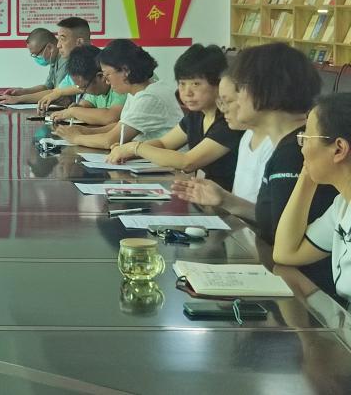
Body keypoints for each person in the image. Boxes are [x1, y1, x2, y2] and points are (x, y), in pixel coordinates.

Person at [173, 43, 337, 291]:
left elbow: (285, 242)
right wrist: (226, 200)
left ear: (265, 91)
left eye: (240, 90)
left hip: (306, 286)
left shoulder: (295, 152)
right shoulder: (284, 146)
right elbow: (275, 220)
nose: (234, 100)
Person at [107, 44, 244, 191]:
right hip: (202, 194)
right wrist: (127, 151)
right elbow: (164, 143)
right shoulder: (197, 115)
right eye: (182, 84)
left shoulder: (229, 122)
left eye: (196, 84)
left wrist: (135, 148)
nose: (187, 92)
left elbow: (188, 162)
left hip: (226, 199)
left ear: (219, 84)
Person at [274, 93, 351, 304]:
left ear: (339, 149)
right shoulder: (342, 205)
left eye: (306, 138)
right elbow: (286, 253)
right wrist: (307, 177)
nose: (302, 148)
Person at [55, 39, 181, 149]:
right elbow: (122, 127)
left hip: (165, 165)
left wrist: (76, 138)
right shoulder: (136, 92)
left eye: (107, 74)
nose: (106, 81)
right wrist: (85, 131)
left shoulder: (149, 97)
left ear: (125, 71)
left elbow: (109, 141)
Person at [218, 72, 275, 203]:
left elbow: (266, 211)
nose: (223, 110)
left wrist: (223, 199)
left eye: (229, 101)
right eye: (221, 102)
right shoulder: (247, 136)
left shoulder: (274, 143)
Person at [47, 44, 126, 126]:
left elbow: (110, 118)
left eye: (84, 87)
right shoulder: (96, 87)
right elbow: (87, 104)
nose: (82, 91)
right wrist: (79, 108)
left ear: (101, 76)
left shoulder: (119, 86)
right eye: (79, 87)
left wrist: (73, 111)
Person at [0, 28, 66, 107]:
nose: (36, 58)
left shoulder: (65, 61)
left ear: (50, 47)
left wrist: (18, 99)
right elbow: (47, 87)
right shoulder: (54, 60)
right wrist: (22, 92)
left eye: (36, 54)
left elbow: (57, 93)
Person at [36, 17, 92, 111]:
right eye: (58, 40)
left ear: (79, 42)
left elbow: (88, 86)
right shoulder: (75, 65)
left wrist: (60, 93)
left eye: (62, 39)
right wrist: (18, 99)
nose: (58, 45)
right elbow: (56, 91)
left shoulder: (97, 62)